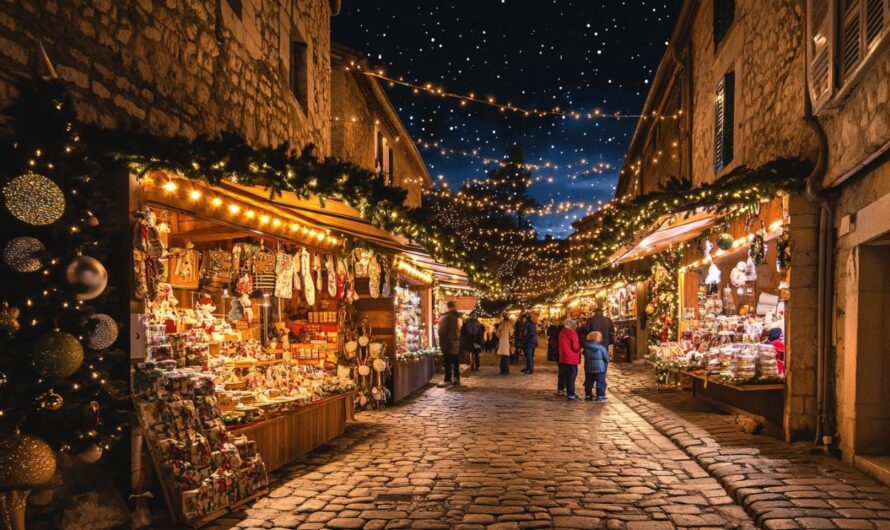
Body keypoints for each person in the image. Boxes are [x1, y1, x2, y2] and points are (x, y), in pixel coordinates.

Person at [437, 301, 461, 385]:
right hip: (455, 343)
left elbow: (441, 331)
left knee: (447, 362)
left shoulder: (446, 317)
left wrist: (441, 341)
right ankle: (456, 378)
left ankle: (448, 379)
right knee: (455, 361)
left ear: (447, 306)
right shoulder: (456, 316)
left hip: (447, 342)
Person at [558, 319, 582, 400]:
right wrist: (580, 349)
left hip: (563, 357)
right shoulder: (572, 333)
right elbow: (575, 347)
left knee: (566, 375)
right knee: (572, 376)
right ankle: (571, 393)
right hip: (571, 357)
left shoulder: (562, 332)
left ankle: (570, 392)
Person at [582, 331, 609, 401]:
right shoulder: (602, 348)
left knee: (589, 382)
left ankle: (588, 395)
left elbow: (584, 354)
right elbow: (606, 357)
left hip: (589, 368)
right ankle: (600, 395)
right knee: (600, 382)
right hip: (600, 368)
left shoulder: (586, 347)